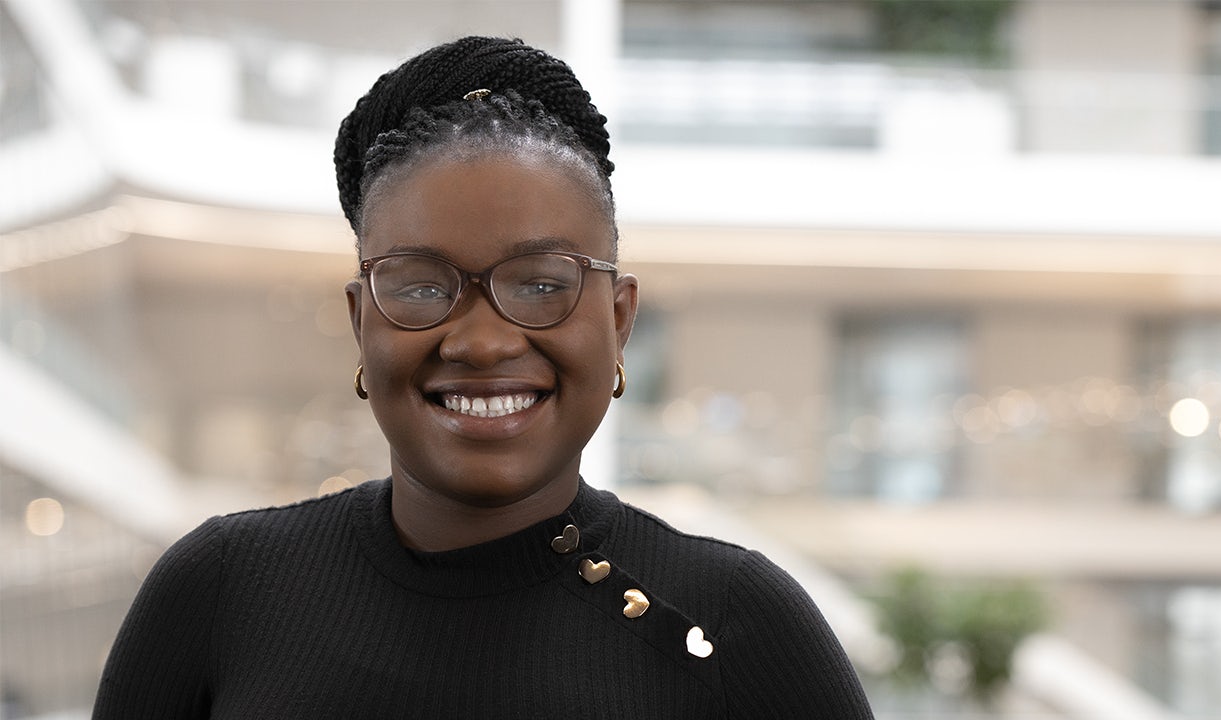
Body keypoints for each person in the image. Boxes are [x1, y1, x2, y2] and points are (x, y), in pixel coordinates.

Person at [92, 36, 875, 719]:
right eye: (420, 285)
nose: (481, 341)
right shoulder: (222, 592)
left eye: (541, 282)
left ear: (619, 318)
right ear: (362, 320)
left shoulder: (739, 624)